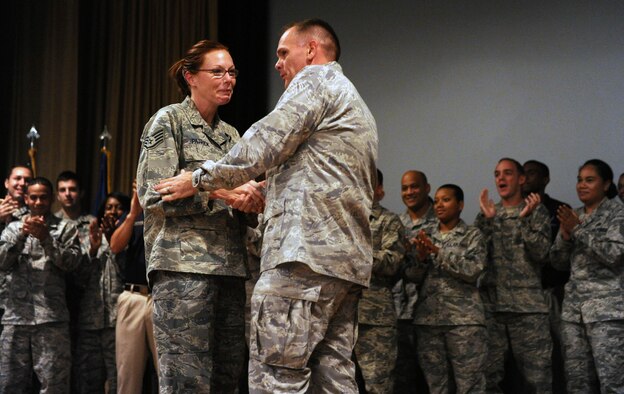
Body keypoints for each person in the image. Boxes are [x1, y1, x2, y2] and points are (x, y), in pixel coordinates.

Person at [155, 18, 378, 393]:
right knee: (333, 377)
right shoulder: (354, 100)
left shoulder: (315, 81)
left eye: (283, 53)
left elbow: (265, 142)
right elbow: (321, 177)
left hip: (302, 260)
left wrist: (198, 179)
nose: (277, 64)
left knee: (276, 374)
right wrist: (263, 191)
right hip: (343, 266)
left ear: (311, 50)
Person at [136, 39, 264, 393]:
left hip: (230, 270)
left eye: (233, 72)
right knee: (186, 380)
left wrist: (251, 202)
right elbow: (152, 194)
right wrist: (220, 191)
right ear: (191, 77)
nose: (229, 79)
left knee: (226, 377)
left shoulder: (232, 136)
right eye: (218, 72)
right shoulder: (169, 121)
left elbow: (241, 205)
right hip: (183, 269)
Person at [475, 158, 553, 393]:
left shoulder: (536, 212)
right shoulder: (487, 214)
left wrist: (525, 220)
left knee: (537, 379)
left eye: (507, 173)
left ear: (521, 179)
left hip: (527, 309)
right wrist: (488, 222)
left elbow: (541, 253)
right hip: (493, 307)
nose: (500, 178)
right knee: (489, 378)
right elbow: (477, 259)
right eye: (497, 173)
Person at [0, 177, 82, 393]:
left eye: (43, 197)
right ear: (26, 198)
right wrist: (21, 235)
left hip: (51, 320)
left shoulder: (66, 228)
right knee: (10, 384)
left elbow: (71, 264)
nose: (38, 202)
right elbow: (2, 263)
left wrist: (47, 238)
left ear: (51, 199)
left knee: (54, 385)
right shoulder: (12, 228)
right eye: (33, 197)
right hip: (15, 319)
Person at [550, 159, 624, 393]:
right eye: (579, 180)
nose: (582, 185)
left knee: (612, 383)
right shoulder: (573, 214)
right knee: (577, 383)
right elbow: (558, 263)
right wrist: (565, 237)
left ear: (606, 184)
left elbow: (615, 255)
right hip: (574, 312)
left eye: (589, 180)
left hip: (606, 312)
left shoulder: (618, 213)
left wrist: (579, 230)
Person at [408, 184, 487, 393]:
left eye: (446, 200)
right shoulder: (425, 234)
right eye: (436, 200)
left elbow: (472, 270)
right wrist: (422, 259)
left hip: (463, 323)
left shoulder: (472, 235)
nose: (439, 205)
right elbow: (412, 277)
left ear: (460, 205)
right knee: (436, 387)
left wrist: (437, 252)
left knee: (470, 387)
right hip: (429, 322)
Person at [354, 169, 405, 394]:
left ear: (379, 191)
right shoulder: (340, 220)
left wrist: (356, 254)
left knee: (378, 385)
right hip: (338, 314)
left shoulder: (389, 221)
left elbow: (392, 261)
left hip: (374, 317)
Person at [72, 191, 127, 393]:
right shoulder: (89, 235)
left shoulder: (131, 236)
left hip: (118, 322)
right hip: (89, 323)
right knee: (88, 380)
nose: (113, 211)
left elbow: (128, 274)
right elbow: (78, 278)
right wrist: (93, 251)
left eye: (118, 207)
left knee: (117, 380)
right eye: (109, 207)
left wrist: (116, 243)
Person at [523, 159, 570, 393]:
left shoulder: (559, 209)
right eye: (523, 173)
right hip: (521, 296)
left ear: (545, 179)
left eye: (532, 173)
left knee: (562, 352)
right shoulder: (512, 210)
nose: (526, 177)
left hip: (551, 291)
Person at [111, 183, 158, 394]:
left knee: (170, 373)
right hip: (133, 298)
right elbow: (115, 246)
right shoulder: (133, 215)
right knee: (127, 376)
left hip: (164, 297)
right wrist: (132, 214)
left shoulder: (174, 208)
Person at [393, 169, 436, 393]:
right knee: (403, 379)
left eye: (414, 186)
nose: (410, 192)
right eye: (405, 188)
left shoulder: (441, 221)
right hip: (400, 313)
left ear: (427, 188)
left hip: (433, 315)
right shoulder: (396, 223)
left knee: (432, 381)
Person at [0, 165, 33, 335]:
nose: (22, 183)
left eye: (27, 180)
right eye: (17, 178)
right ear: (7, 182)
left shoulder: (34, 215)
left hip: (19, 301)